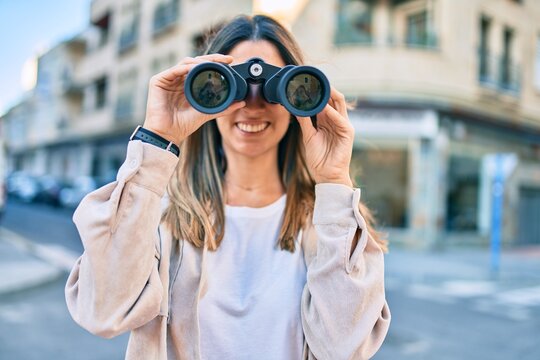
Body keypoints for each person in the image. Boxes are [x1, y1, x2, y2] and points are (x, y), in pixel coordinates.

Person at [65, 14, 391, 360]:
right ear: (204, 94)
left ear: (300, 96)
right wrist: (156, 141)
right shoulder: (161, 217)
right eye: (226, 84)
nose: (252, 105)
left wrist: (334, 181)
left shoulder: (328, 224)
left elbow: (346, 349)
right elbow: (103, 312)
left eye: (273, 87)